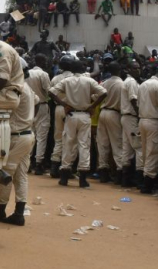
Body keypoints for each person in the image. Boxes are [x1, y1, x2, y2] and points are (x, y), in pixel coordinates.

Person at [0, 60, 35, 226]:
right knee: (21, 176)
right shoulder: (28, 89)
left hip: (16, 136)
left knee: (6, 172)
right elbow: (37, 102)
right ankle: (18, 213)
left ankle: (0, 209)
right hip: (27, 134)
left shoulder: (16, 90)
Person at [49, 60, 108, 188]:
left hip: (70, 115)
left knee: (68, 143)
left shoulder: (67, 81)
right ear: (82, 69)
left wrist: (64, 104)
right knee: (84, 145)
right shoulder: (89, 81)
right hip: (85, 115)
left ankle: (64, 175)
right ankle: (82, 178)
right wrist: (93, 106)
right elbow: (104, 93)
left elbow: (51, 92)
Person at [137, 67, 158, 194]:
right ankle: (147, 186)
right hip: (154, 122)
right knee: (154, 153)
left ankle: (144, 182)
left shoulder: (143, 84)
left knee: (146, 151)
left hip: (142, 120)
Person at [97, 62, 125, 183]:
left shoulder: (105, 82)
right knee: (117, 144)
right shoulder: (122, 84)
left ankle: (103, 172)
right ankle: (119, 173)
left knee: (103, 144)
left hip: (103, 112)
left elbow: (95, 96)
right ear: (119, 70)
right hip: (115, 113)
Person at [48, 55, 75, 177]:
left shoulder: (56, 78)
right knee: (71, 139)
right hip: (71, 110)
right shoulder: (76, 78)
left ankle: (54, 166)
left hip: (59, 108)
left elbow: (51, 94)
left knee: (58, 138)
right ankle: (66, 168)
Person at [27, 54, 51, 175]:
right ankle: (38, 163)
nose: (47, 62)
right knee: (41, 136)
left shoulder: (27, 73)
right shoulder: (43, 74)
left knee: (30, 135)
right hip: (41, 105)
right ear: (41, 61)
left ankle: (27, 162)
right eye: (45, 60)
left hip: (28, 106)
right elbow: (48, 90)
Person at [120, 59, 142, 186]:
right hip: (131, 117)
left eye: (138, 67)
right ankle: (139, 180)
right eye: (134, 68)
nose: (137, 70)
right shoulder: (132, 82)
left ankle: (125, 180)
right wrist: (140, 115)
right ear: (128, 69)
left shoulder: (127, 81)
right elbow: (134, 100)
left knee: (127, 148)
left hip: (126, 117)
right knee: (139, 147)